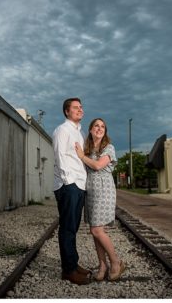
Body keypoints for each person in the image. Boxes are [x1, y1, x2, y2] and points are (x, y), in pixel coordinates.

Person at [74, 118, 126, 281]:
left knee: (97, 230)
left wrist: (82, 156)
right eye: (96, 125)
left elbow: (97, 166)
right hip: (90, 190)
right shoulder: (88, 148)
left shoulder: (108, 148)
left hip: (103, 189)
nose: (99, 128)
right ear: (90, 129)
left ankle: (116, 262)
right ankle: (102, 265)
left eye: (102, 126)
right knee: (95, 231)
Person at [52, 97, 91, 285]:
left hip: (80, 185)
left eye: (81, 107)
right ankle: (68, 271)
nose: (80, 110)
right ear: (67, 111)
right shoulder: (62, 130)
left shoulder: (81, 133)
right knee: (67, 228)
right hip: (69, 185)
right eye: (76, 108)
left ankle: (73, 264)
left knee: (73, 228)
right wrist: (69, 182)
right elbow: (60, 156)